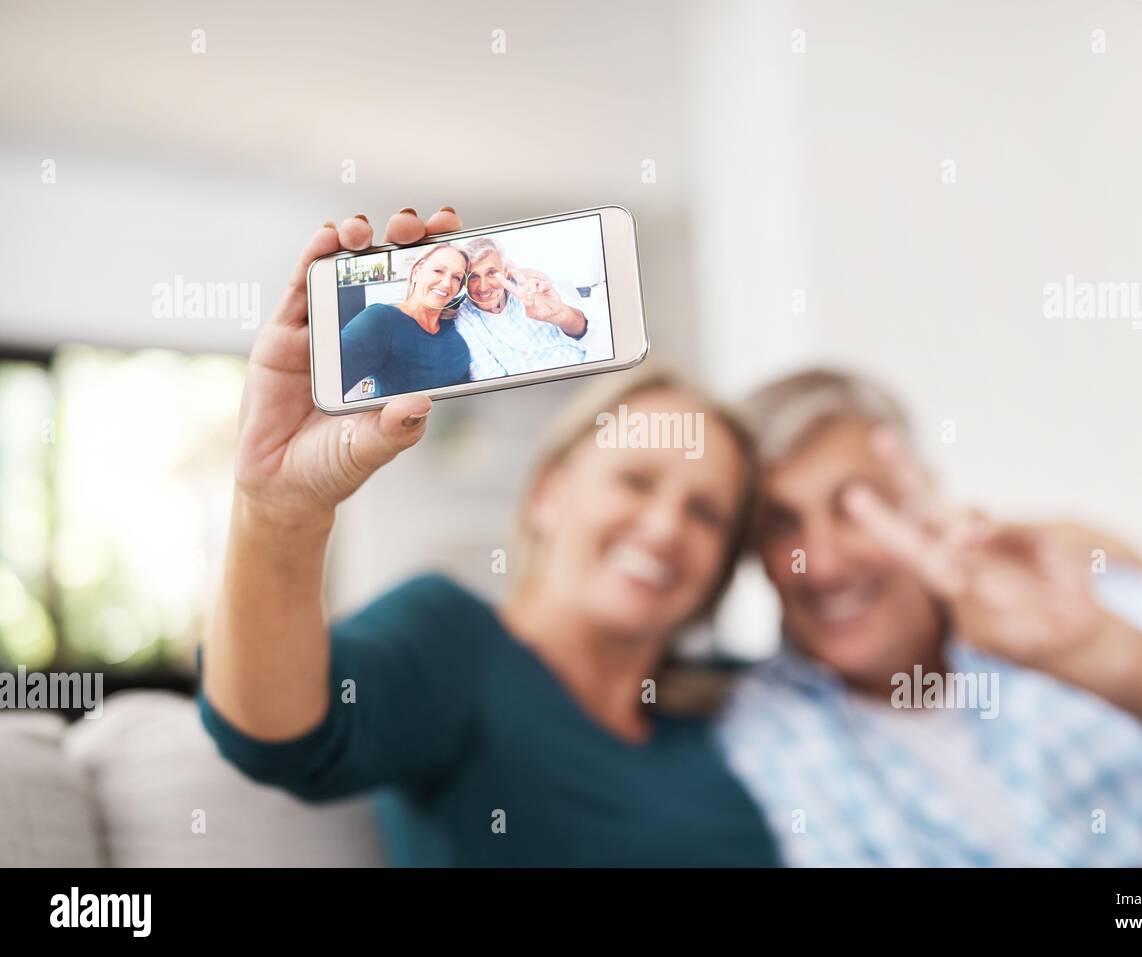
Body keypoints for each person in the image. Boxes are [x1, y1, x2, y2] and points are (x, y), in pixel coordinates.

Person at [196, 204, 777, 867]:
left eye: (706, 513)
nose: (667, 526)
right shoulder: (452, 643)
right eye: (636, 481)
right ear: (547, 494)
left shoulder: (735, 705)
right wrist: (279, 511)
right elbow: (273, 732)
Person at [717, 368, 1142, 867]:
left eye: (857, 507)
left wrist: (1102, 656)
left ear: (919, 499)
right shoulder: (762, 728)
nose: (821, 564)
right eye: (781, 524)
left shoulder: (1072, 587)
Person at [340, 240, 471, 397]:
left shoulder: (460, 324)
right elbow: (332, 378)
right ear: (416, 273)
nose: (446, 284)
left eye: (456, 278)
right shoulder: (380, 320)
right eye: (438, 271)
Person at [452, 236, 589, 380]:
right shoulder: (464, 319)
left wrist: (563, 316)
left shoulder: (532, 286)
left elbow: (584, 329)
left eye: (492, 273)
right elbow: (488, 376)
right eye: (473, 277)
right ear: (465, 282)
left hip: (581, 368)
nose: (483, 286)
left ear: (506, 271)